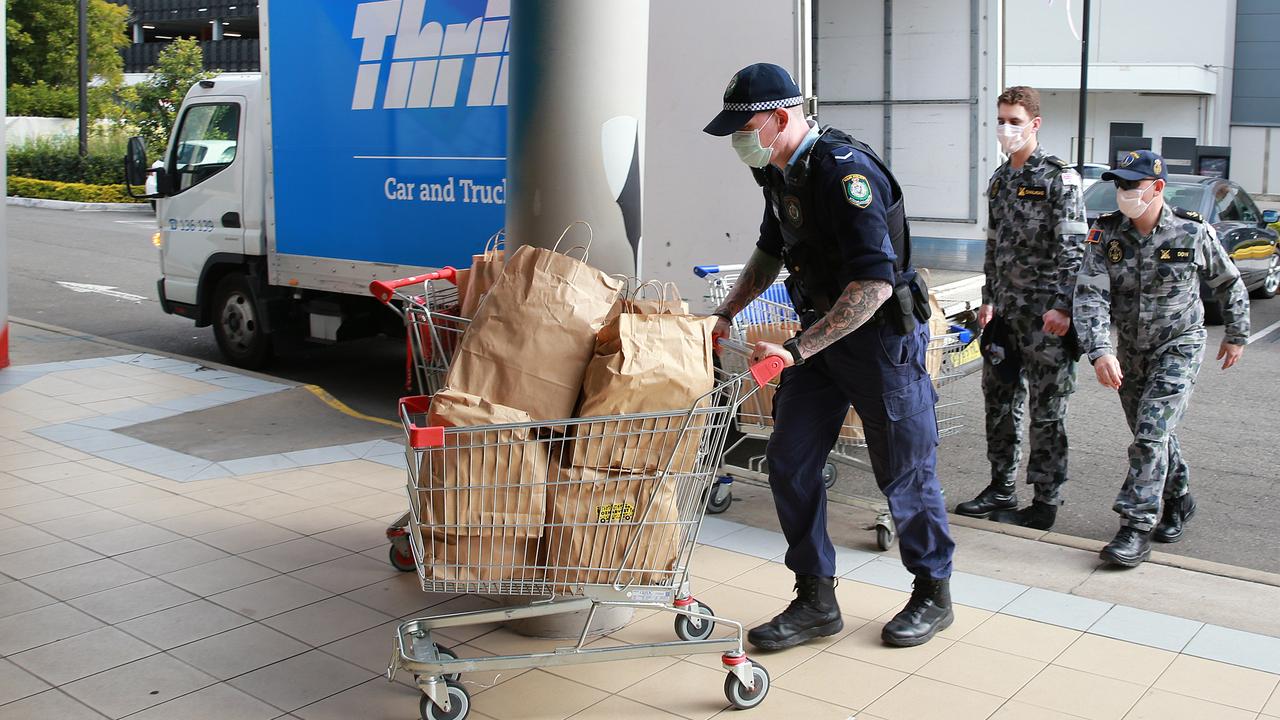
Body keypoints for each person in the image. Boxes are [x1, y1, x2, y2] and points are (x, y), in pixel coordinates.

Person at [704, 63, 955, 649]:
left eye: (745, 129)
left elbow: (872, 287)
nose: (739, 143)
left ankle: (932, 591)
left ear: (781, 119)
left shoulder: (846, 173)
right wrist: (727, 311)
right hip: (819, 339)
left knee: (904, 473)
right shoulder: (779, 171)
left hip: (879, 343)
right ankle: (815, 598)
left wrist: (794, 349)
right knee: (789, 461)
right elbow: (771, 251)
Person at [1074, 150, 1249, 567]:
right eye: (1119, 185)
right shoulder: (1105, 235)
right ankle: (1179, 499)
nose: (1123, 193)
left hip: (1180, 343)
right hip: (1131, 349)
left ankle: (1135, 526)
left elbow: (1229, 282)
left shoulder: (1191, 232)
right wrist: (1100, 350)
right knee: (1155, 433)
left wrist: (1237, 334)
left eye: (1132, 186)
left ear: (1157, 188)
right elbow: (1089, 296)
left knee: (1150, 433)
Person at [955, 86, 1088, 530]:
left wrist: (1063, 308)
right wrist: (987, 301)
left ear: (1035, 124)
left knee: (1047, 410)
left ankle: (1046, 500)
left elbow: (1074, 249)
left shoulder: (1058, 177)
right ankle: (1001, 487)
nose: (1006, 128)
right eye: (1001, 120)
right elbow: (994, 246)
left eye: (1015, 120)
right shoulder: (1000, 179)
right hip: (1006, 316)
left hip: (1046, 319)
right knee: (999, 401)